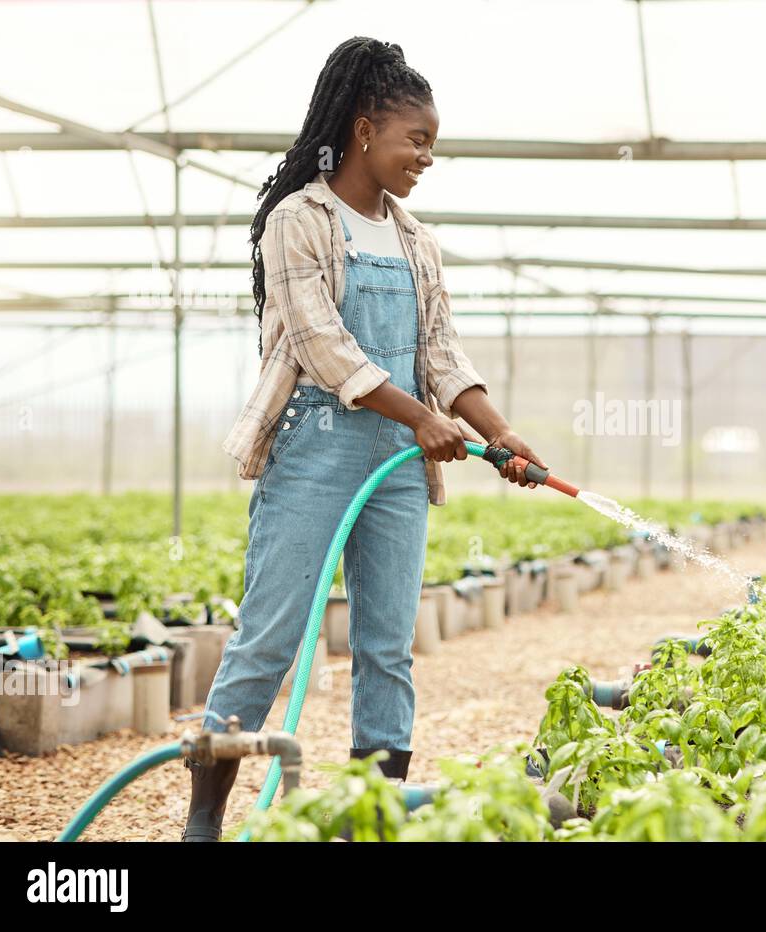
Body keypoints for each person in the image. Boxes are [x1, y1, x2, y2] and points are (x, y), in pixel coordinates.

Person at [183, 36, 545, 842]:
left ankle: (363, 825)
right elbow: (323, 345)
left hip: (398, 466)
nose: (425, 157)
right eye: (415, 140)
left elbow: (441, 356)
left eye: (432, 145)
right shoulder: (298, 220)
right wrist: (420, 416)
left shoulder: (417, 241)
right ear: (362, 130)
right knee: (269, 636)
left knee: (387, 648)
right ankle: (204, 823)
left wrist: (501, 431)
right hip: (317, 448)